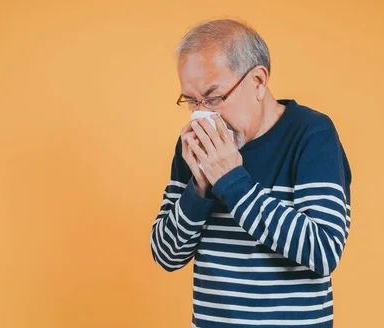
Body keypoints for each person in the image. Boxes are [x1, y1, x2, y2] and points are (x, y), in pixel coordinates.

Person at [150, 19, 352, 327]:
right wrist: (200, 188)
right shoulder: (194, 144)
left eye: (213, 98)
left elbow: (323, 251)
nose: (202, 114)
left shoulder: (312, 135)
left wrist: (232, 180)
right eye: (191, 101)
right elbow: (167, 255)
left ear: (258, 81)